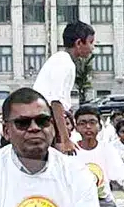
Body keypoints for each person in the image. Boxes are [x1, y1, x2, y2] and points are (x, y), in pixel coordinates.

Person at [34, 21, 94, 154]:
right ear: (79, 43)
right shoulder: (64, 62)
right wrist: (65, 139)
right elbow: (56, 101)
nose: (92, 47)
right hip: (47, 117)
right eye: (91, 42)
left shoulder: (62, 60)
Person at [73, 105, 124, 207]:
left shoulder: (108, 149)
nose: (88, 127)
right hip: (78, 206)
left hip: (104, 205)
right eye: (82, 123)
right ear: (76, 127)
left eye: (92, 123)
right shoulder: (71, 152)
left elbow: (122, 179)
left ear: (99, 126)